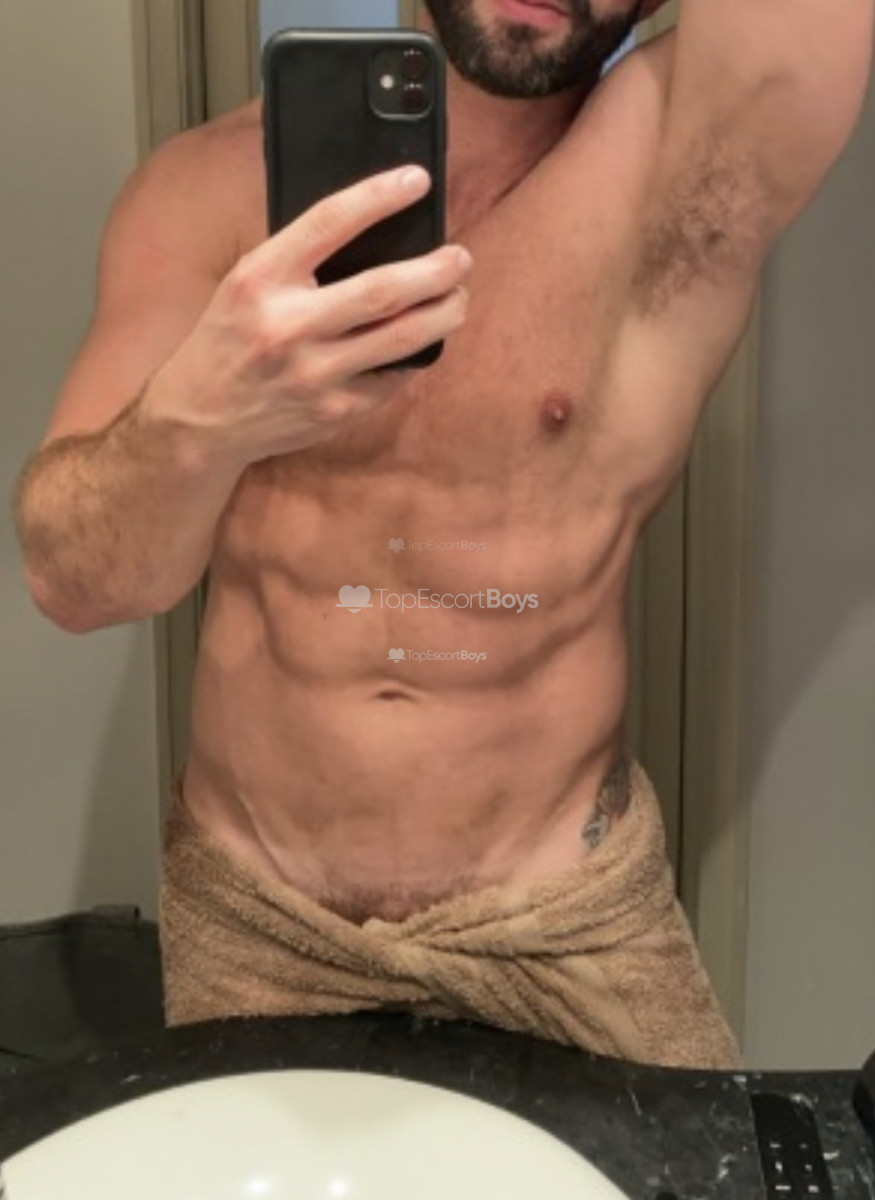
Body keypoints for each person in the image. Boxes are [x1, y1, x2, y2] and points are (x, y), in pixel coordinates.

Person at [14, 0, 873, 1068]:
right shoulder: (204, 193)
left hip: (565, 927)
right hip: (255, 920)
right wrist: (205, 418)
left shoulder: (680, 168)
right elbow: (76, 583)